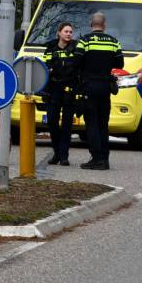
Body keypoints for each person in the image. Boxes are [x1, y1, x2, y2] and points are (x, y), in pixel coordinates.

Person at [73, 11, 123, 170]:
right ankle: (105, 159)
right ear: (104, 25)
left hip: (89, 87)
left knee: (92, 123)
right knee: (103, 124)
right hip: (105, 88)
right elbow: (120, 63)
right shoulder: (114, 42)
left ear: (91, 24)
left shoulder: (84, 41)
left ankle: (96, 159)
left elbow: (76, 62)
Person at [41, 21, 77, 166]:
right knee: (52, 122)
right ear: (59, 33)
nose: (69, 34)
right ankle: (57, 153)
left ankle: (64, 156)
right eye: (66, 31)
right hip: (53, 89)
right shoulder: (50, 47)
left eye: (70, 32)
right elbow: (45, 67)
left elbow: (77, 67)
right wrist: (50, 70)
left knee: (67, 124)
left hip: (69, 89)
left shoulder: (75, 48)